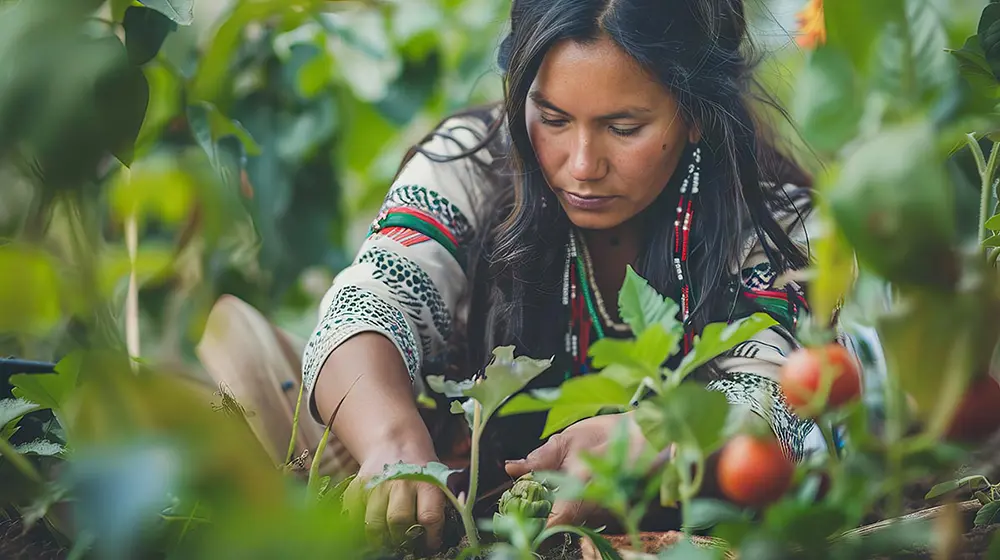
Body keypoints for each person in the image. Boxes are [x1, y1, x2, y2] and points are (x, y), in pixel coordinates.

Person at [208, 0, 852, 552]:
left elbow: (778, 396)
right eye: (551, 118)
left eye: (622, 128)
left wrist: (656, 439)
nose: (581, 164)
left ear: (696, 115)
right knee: (254, 388)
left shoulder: (778, 226)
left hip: (680, 523)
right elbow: (376, 297)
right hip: (462, 491)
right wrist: (390, 440)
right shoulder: (472, 165)